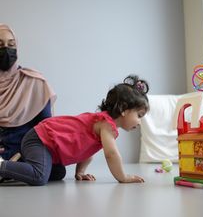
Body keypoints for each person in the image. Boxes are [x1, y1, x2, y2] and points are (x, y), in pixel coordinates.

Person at [0, 75, 149, 185]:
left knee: (59, 173)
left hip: (47, 148)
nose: (140, 121)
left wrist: (80, 172)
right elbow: (111, 154)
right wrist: (123, 177)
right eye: (139, 115)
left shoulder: (103, 125)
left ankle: (17, 167)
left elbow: (88, 150)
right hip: (40, 139)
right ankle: (2, 165)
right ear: (123, 109)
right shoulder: (106, 125)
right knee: (39, 177)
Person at [0, 23, 64, 181]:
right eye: (0, 45)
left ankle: (8, 170)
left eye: (11, 45)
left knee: (56, 172)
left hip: (26, 153)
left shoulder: (34, 82)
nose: (7, 50)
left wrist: (20, 153)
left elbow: (46, 128)